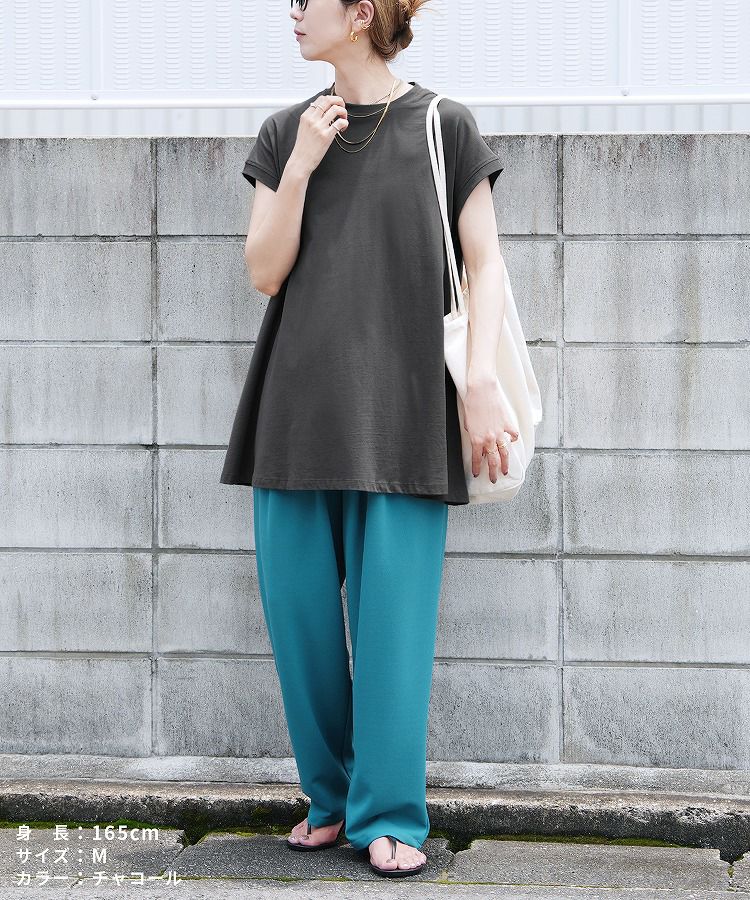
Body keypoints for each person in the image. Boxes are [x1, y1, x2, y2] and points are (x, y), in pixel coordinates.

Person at [220, 0, 518, 879]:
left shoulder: (442, 125)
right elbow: (263, 271)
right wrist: (302, 167)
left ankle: (388, 814)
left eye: (307, 0)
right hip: (294, 415)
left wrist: (481, 384)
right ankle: (331, 799)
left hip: (405, 415)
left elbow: (484, 264)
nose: (292, 12)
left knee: (393, 636)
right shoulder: (287, 132)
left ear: (358, 14)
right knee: (303, 628)